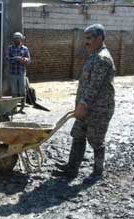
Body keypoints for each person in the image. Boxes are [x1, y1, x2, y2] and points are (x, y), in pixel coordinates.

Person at [53, 24, 115, 180]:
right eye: (85, 38)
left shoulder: (102, 58)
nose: (85, 42)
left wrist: (83, 105)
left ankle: (97, 172)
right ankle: (72, 169)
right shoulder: (95, 55)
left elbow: (94, 86)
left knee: (96, 140)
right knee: (78, 135)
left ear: (100, 38)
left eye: (89, 38)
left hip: (98, 109)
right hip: (86, 106)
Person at [7, 32, 31, 112]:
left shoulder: (25, 49)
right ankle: (14, 107)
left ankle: (22, 107)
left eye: (18, 38)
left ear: (21, 39)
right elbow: (7, 59)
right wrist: (16, 59)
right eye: (15, 39)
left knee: (22, 91)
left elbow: (29, 60)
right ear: (13, 39)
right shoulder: (10, 48)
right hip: (13, 73)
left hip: (21, 73)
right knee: (14, 91)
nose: (17, 40)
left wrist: (25, 60)